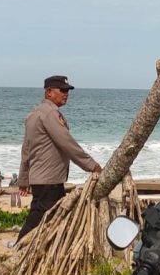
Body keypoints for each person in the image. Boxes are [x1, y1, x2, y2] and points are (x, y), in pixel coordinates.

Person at [16, 75, 102, 243]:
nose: (66, 94)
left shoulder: (33, 114)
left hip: (41, 179)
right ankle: (18, 251)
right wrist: (92, 166)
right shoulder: (50, 114)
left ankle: (26, 252)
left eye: (67, 91)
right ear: (49, 92)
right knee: (38, 219)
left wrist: (24, 179)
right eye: (62, 90)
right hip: (49, 180)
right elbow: (67, 143)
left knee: (47, 220)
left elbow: (26, 150)